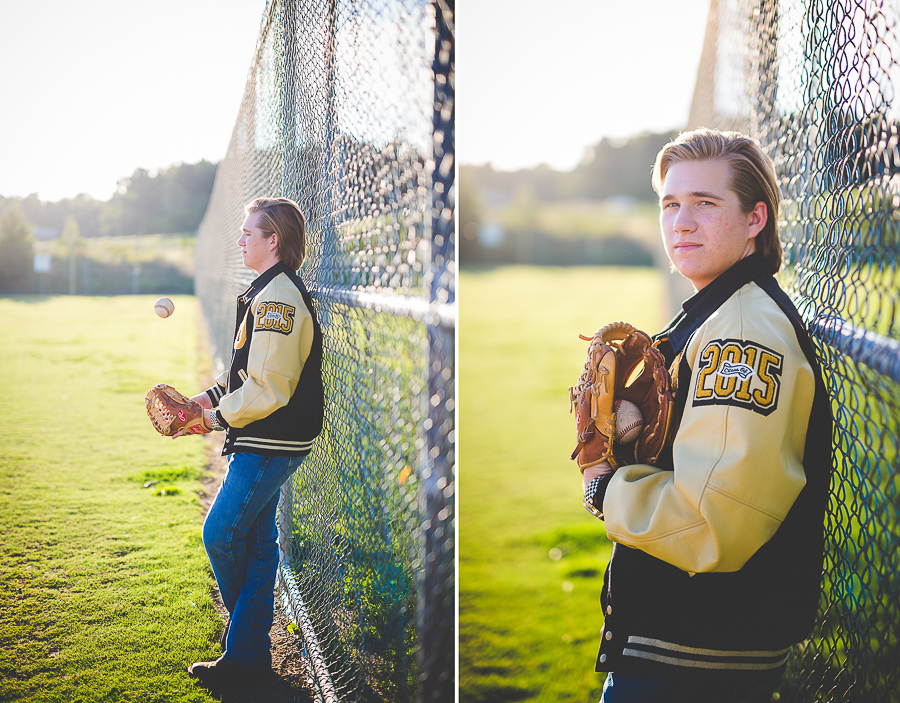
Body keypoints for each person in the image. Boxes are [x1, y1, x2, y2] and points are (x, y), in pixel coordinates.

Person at [580, 129, 831, 702]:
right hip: (691, 648)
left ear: (755, 219)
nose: (681, 222)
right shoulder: (715, 314)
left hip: (699, 659)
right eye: (670, 203)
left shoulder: (742, 331)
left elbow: (713, 523)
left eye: (705, 203)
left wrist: (604, 489)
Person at [174, 196, 324, 689]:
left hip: (271, 440)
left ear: (272, 240)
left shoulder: (279, 297)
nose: (239, 240)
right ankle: (249, 655)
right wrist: (205, 397)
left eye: (247, 233)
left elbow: (269, 389)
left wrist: (212, 417)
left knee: (219, 533)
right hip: (262, 436)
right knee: (260, 548)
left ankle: (245, 645)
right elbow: (244, 371)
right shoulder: (265, 291)